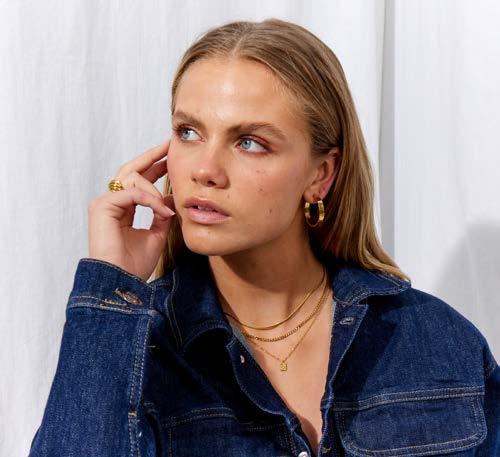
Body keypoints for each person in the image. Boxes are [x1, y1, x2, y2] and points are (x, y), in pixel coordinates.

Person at [29, 18, 498, 457]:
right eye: (188, 132)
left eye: (249, 142)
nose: (204, 170)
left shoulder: (437, 340)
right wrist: (109, 289)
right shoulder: (137, 350)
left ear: (321, 174)